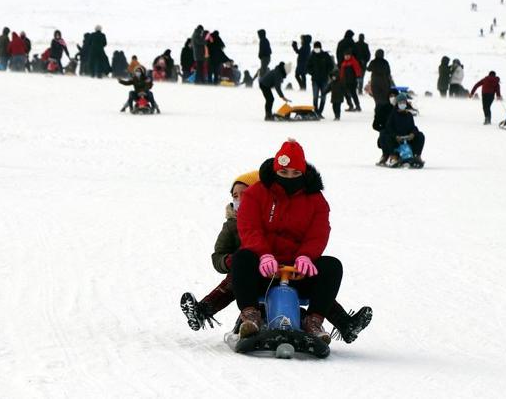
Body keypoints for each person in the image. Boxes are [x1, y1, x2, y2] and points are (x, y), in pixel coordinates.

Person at [231, 139, 372, 343]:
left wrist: (306, 256)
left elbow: (319, 232)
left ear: (303, 173)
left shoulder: (316, 200)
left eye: (296, 173)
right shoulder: (256, 194)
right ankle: (251, 317)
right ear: (276, 171)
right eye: (284, 173)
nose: (290, 177)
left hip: (299, 272)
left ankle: (313, 321)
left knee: (332, 266)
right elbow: (249, 227)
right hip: (263, 272)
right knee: (242, 258)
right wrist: (263, 255)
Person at [180, 171, 261, 331]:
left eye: (243, 194)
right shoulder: (231, 226)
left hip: (274, 270)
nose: (238, 200)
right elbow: (218, 255)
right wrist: (227, 260)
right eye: (235, 196)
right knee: (235, 278)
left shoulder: (268, 220)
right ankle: (202, 310)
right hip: (245, 273)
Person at [379, 93, 425, 167]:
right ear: (397, 104)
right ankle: (393, 157)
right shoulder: (392, 115)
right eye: (400, 103)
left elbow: (413, 127)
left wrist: (412, 134)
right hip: (396, 140)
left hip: (408, 138)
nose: (402, 104)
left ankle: (417, 156)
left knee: (420, 136)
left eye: (404, 102)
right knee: (385, 135)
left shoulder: (409, 115)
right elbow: (388, 128)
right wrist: (395, 136)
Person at [306, 41, 334, 117]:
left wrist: (327, 72)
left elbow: (331, 65)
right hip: (315, 80)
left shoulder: (325, 55)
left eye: (317, 47)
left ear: (320, 48)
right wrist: (312, 72)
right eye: (315, 48)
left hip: (324, 80)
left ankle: (320, 112)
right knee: (315, 97)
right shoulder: (312, 56)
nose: (316, 49)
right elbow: (308, 67)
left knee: (323, 97)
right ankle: (316, 111)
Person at [368, 49, 393, 128]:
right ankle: (385, 113)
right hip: (384, 82)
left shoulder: (373, 62)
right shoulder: (385, 62)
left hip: (375, 83)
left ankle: (377, 113)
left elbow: (368, 69)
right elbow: (389, 72)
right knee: (385, 98)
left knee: (377, 99)